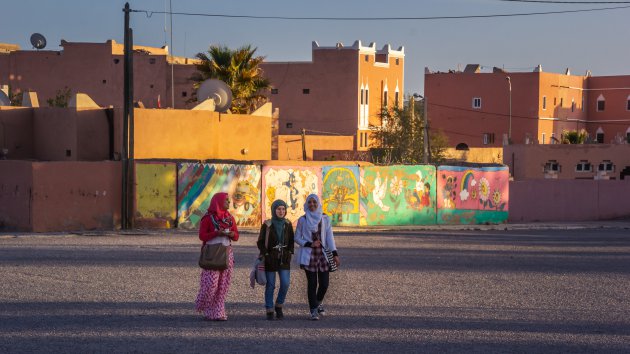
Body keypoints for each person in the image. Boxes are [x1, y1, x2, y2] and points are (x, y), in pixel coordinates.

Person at [295, 194, 341, 320]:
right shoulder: (302, 220)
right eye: (309, 202)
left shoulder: (325, 218)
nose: (312, 204)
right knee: (312, 283)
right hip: (309, 256)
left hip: (323, 255)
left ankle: (319, 302)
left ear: (318, 203)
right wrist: (309, 243)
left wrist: (335, 254)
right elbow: (297, 238)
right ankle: (313, 310)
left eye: (314, 202)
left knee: (324, 284)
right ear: (306, 204)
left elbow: (329, 238)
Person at [195, 192, 239, 321]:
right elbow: (202, 236)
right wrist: (216, 233)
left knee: (223, 285)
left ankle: (218, 312)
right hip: (212, 254)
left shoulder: (229, 218)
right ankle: (203, 305)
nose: (229, 203)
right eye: (226, 200)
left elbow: (236, 236)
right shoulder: (208, 218)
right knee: (211, 284)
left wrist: (231, 234)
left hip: (226, 253)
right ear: (218, 202)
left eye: (228, 200)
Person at [257, 199, 295, 320]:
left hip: (284, 258)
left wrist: (289, 252)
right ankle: (269, 309)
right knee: (271, 285)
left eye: (283, 209)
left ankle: (279, 305)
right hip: (270, 257)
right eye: (278, 209)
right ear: (274, 210)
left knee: (285, 283)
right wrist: (266, 255)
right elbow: (260, 242)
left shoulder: (288, 224)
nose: (281, 211)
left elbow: (291, 241)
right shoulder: (267, 225)